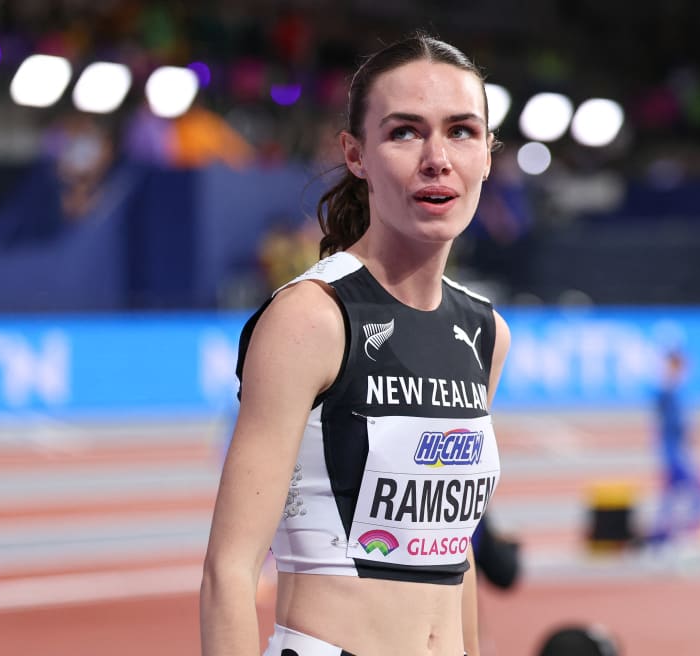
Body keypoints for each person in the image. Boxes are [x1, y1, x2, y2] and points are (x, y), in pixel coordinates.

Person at [200, 32, 510, 656]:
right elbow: (230, 573)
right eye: (404, 132)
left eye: (460, 131)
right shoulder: (311, 318)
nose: (436, 158)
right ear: (356, 154)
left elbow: (456, 554)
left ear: (487, 155)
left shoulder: (485, 331)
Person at [646, 348, 700, 547]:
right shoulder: (669, 391)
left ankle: (660, 537)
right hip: (674, 454)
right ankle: (681, 535)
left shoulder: (674, 390)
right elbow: (676, 425)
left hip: (673, 452)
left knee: (671, 495)